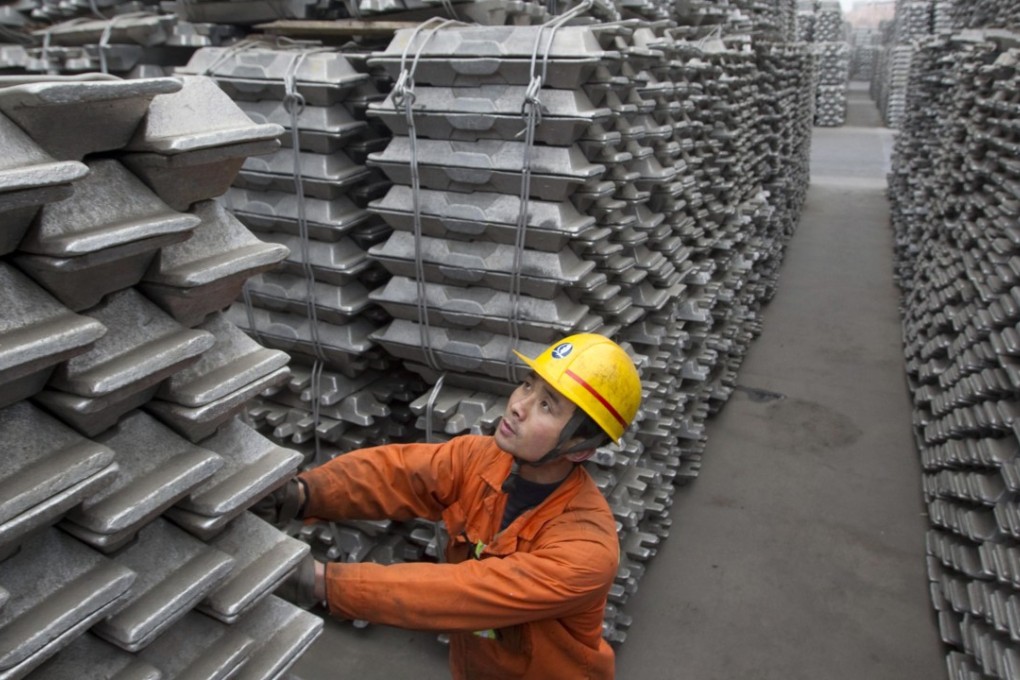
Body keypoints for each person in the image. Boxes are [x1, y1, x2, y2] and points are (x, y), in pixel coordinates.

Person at [259, 333, 642, 680]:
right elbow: (396, 474)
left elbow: (463, 591)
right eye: (527, 385)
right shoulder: (481, 459)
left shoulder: (586, 550)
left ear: (581, 449)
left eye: (546, 405)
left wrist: (322, 582)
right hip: (477, 666)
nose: (518, 407)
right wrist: (303, 493)